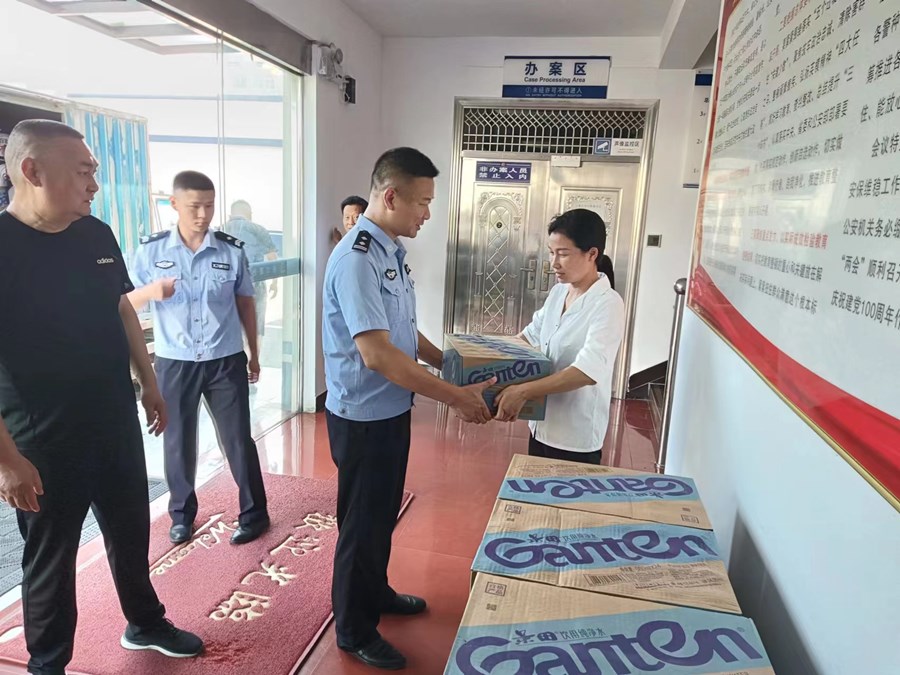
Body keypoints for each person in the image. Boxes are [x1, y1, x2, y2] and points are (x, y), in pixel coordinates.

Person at [0, 120, 202, 675]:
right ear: (32, 171)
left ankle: (145, 622)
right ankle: (47, 664)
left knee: (131, 531)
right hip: (42, 440)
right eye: (83, 172)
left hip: (113, 419)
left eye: (95, 172)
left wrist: (149, 381)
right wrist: (7, 460)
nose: (94, 184)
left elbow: (120, 308)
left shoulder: (96, 233)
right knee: (51, 560)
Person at [323, 147, 495, 670]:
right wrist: (456, 398)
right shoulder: (357, 259)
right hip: (363, 417)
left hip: (390, 409)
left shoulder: (389, 252)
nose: (427, 213)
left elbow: (401, 332)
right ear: (391, 196)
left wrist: (450, 365)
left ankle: (374, 592)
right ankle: (353, 629)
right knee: (361, 525)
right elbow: (377, 354)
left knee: (380, 515)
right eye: (422, 202)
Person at [128, 171, 269, 546]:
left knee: (237, 439)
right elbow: (125, 302)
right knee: (178, 441)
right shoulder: (151, 252)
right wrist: (152, 291)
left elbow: (245, 303)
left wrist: (254, 353)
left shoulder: (230, 250)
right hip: (175, 361)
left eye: (209, 205)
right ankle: (181, 516)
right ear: (174, 204)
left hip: (225, 359)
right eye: (194, 206)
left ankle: (254, 514)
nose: (203, 214)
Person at [495, 208, 625, 465]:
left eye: (563, 254)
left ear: (592, 254)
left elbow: (587, 371)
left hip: (575, 436)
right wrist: (482, 355)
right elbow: (528, 337)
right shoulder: (558, 293)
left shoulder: (608, 304)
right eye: (551, 252)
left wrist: (523, 391)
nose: (554, 263)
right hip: (541, 425)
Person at [222, 200, 278, 337]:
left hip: (227, 286)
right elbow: (272, 259)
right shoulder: (258, 230)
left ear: (230, 215)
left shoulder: (219, 230)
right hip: (254, 286)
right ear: (250, 214)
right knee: (255, 328)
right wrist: (274, 283)